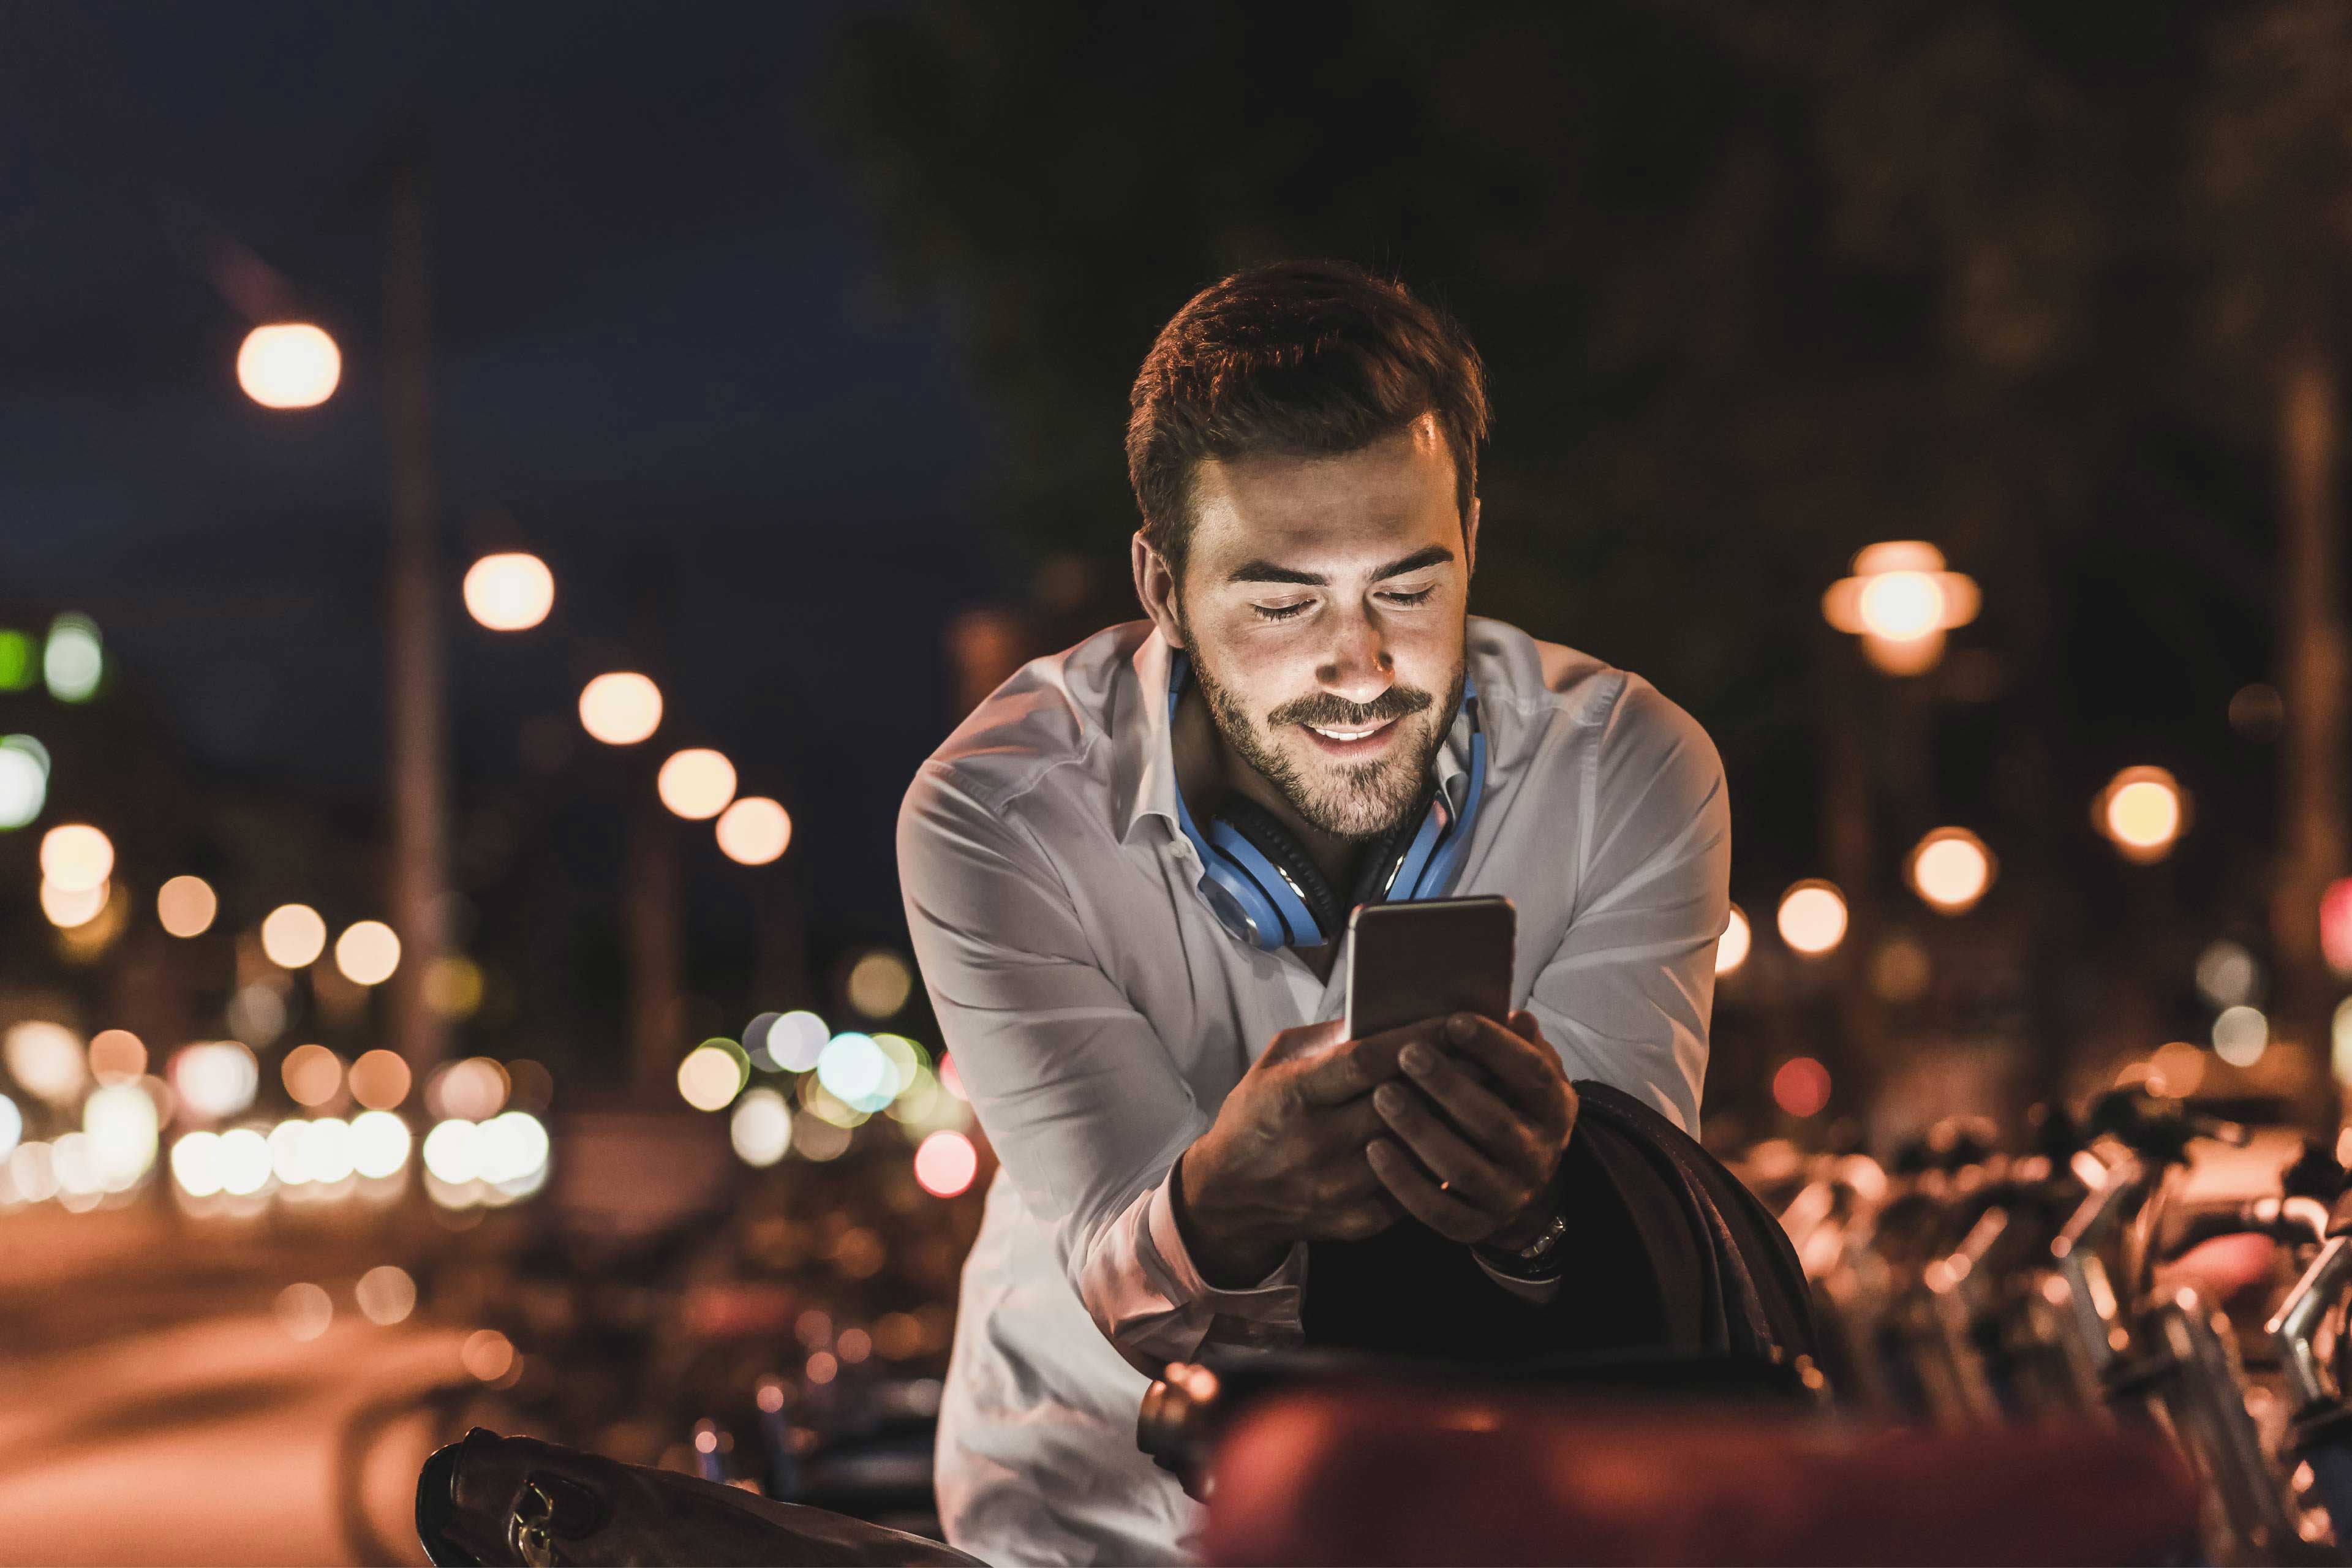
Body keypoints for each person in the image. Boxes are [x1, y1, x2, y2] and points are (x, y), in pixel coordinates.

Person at [897, 260, 1731, 1565]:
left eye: (1409, 584)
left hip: (1476, 1519)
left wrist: (1542, 1209)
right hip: (1097, 1525)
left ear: (1472, 534)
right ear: (1162, 586)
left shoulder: (1624, 769)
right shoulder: (997, 816)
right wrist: (1224, 1206)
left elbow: (1636, 1252)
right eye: (1284, 600)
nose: (1363, 663)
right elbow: (1118, 1245)